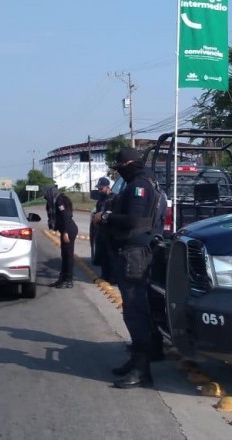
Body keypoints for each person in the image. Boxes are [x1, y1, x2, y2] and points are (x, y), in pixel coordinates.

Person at [93, 146, 167, 389]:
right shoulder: (147, 181)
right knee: (139, 309)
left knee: (135, 311)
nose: (119, 173)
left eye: (120, 168)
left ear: (129, 166)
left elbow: (136, 220)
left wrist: (105, 217)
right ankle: (139, 358)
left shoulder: (139, 186)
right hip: (137, 251)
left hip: (135, 252)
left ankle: (141, 369)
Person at [90, 177, 117, 283]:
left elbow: (115, 213)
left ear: (108, 187)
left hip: (110, 229)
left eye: (101, 188)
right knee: (102, 253)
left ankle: (113, 278)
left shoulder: (115, 198)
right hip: (100, 229)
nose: (100, 190)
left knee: (111, 255)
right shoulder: (101, 199)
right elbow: (97, 210)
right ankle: (104, 276)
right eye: (99, 188)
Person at [50, 190, 78, 289]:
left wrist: (65, 232)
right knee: (64, 255)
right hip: (66, 230)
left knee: (68, 256)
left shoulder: (59, 201)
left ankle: (69, 280)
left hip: (69, 230)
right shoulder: (56, 200)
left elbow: (66, 215)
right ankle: (62, 278)